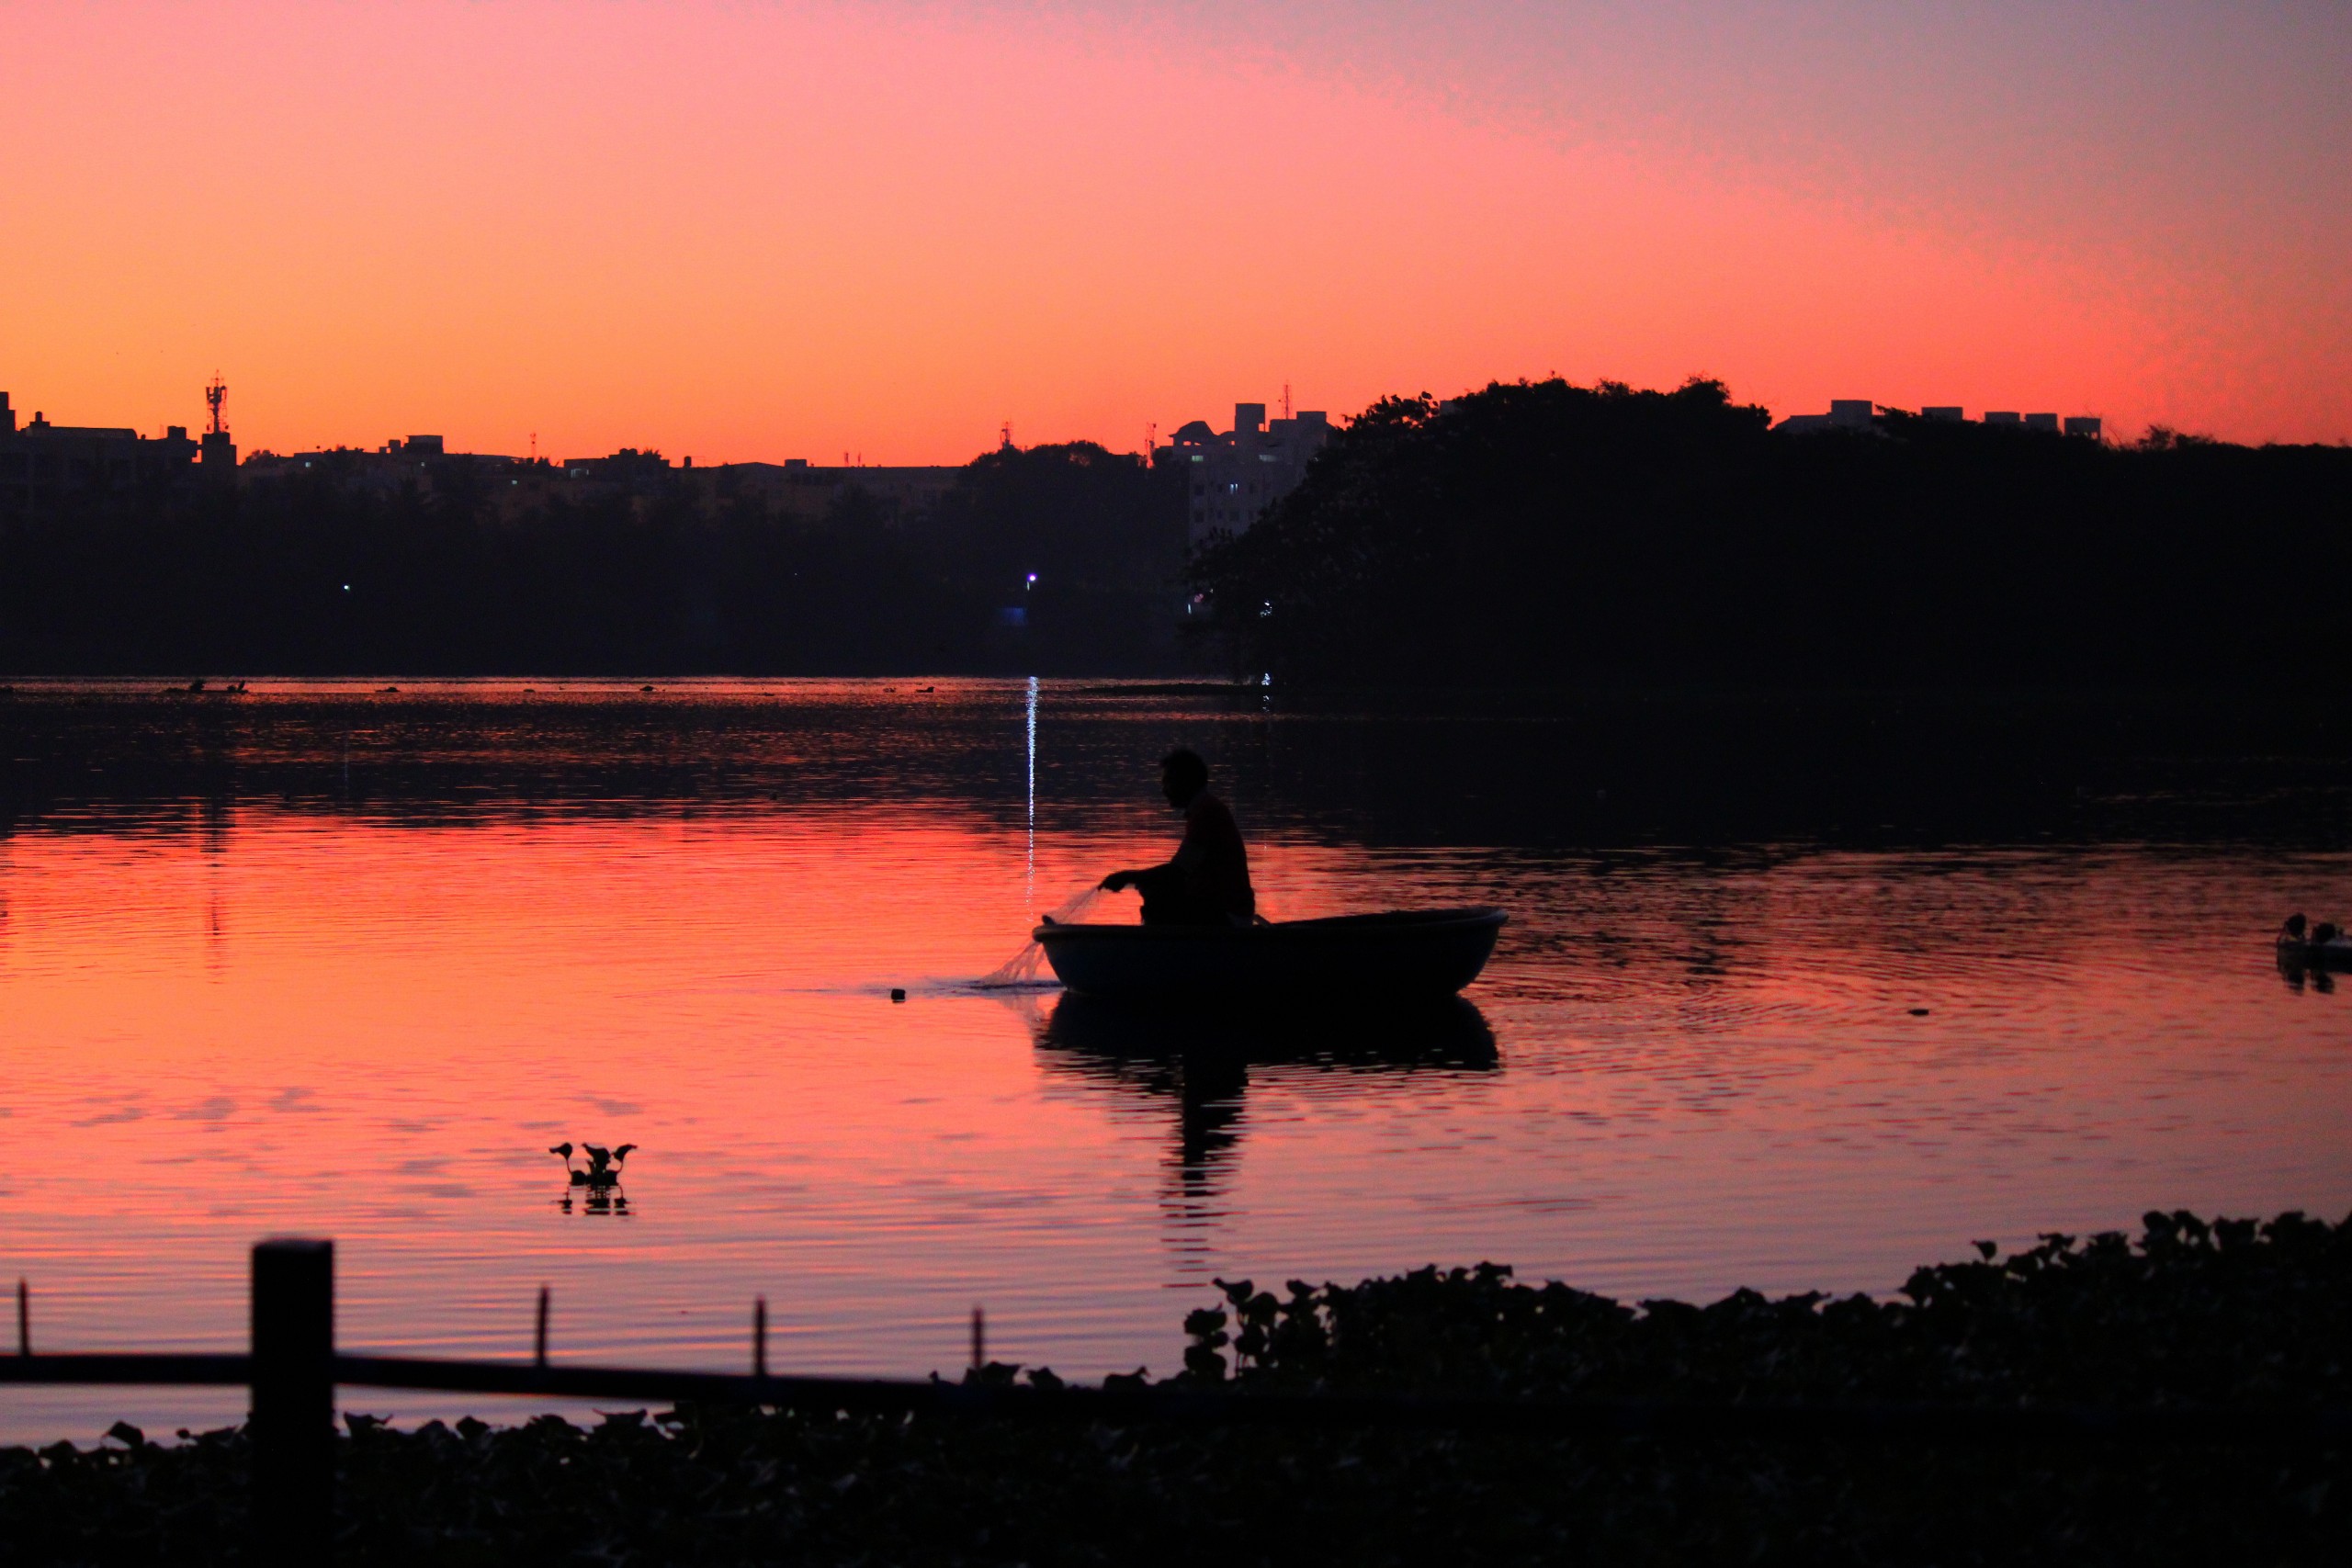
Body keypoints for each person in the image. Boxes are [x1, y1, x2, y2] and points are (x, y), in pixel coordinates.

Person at [1100, 748, 1257, 927]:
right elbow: (1180, 872)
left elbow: (1176, 872)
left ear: (1186, 781)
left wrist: (1128, 876)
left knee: (1159, 899)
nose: (1164, 790)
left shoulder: (1206, 813)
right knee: (1156, 889)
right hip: (1225, 910)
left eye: (1168, 782)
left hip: (1228, 916)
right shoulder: (1204, 809)